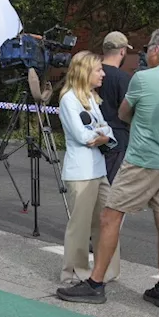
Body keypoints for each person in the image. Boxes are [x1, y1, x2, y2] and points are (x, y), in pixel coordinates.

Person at [57, 27, 159, 306]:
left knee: (110, 216)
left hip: (142, 159)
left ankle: (95, 284)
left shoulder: (143, 79)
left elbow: (123, 114)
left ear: (157, 50)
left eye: (149, 49)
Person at [58, 52, 121, 283]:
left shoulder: (92, 98)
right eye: (98, 70)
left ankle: (106, 271)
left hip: (98, 170)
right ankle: (74, 272)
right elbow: (83, 136)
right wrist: (102, 135)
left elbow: (108, 132)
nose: (103, 73)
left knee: (107, 221)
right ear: (85, 72)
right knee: (81, 226)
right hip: (81, 172)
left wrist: (102, 136)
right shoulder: (69, 100)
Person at [99, 31, 133, 183]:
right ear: (122, 51)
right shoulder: (123, 78)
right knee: (110, 185)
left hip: (92, 134)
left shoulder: (90, 73)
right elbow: (128, 110)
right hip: (117, 137)